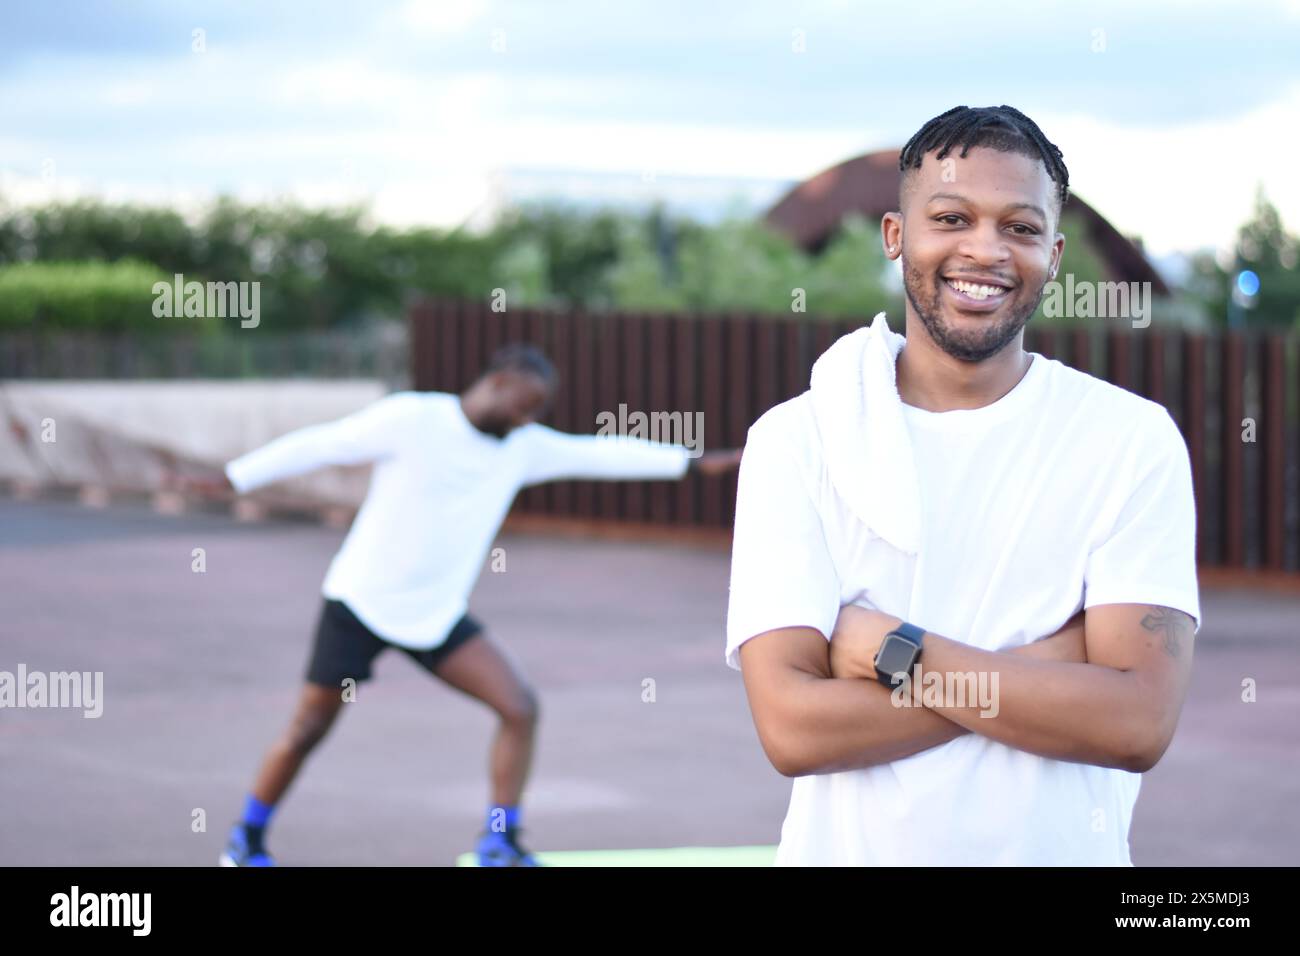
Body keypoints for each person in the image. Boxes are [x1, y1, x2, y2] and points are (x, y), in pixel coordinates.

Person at [726, 105, 1200, 865]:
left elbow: (1136, 726)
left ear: (1054, 250)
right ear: (896, 235)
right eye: (951, 217)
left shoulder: (1131, 440)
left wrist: (892, 650)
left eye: (1019, 227)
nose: (985, 250)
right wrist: (1049, 669)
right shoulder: (799, 437)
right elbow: (793, 731)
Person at [210, 343, 740, 866]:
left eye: (537, 412)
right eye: (523, 404)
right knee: (307, 729)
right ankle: (246, 840)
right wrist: (234, 478)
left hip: (435, 615)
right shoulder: (414, 418)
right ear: (498, 382)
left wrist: (697, 465)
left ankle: (498, 842)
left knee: (519, 707)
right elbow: (322, 444)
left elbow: (598, 453)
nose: (527, 419)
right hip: (359, 605)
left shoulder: (523, 446)